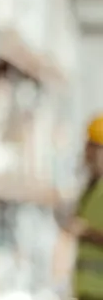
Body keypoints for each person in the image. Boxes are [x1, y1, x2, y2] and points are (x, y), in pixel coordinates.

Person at [70, 115, 103, 300]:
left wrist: (86, 231)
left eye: (93, 147)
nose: (87, 153)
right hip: (86, 291)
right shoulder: (91, 188)